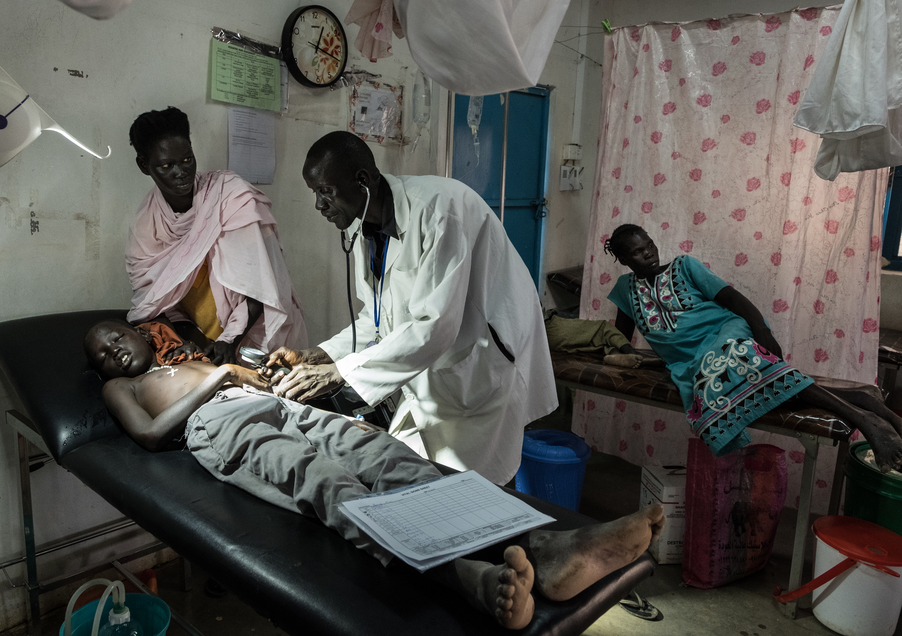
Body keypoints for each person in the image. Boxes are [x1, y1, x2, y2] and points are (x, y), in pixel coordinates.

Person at [83, 319, 664, 630]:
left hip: (280, 404)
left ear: (141, 330)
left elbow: (251, 370)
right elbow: (151, 436)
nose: (111, 352)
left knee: (390, 458)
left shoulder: (187, 352)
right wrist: (221, 377)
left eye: (116, 337)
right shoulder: (125, 387)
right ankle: (472, 580)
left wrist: (255, 372)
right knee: (329, 484)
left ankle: (543, 543)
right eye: (102, 353)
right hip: (222, 428)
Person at [266, 131, 557, 485]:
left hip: (478, 359)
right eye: (315, 194)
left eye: (325, 191)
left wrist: (340, 373)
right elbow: (375, 320)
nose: (319, 206)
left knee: (479, 489)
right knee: (413, 476)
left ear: (361, 180)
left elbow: (435, 326)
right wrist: (320, 355)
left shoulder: (439, 210)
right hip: (432, 372)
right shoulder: (366, 229)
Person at [603, 223, 902, 472]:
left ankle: (865, 421)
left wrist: (762, 332)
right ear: (624, 260)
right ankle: (863, 401)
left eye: (650, 245)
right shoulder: (625, 290)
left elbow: (732, 299)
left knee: (732, 360)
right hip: (689, 361)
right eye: (637, 253)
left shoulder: (684, 266)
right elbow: (621, 336)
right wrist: (623, 354)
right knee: (744, 387)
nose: (649, 254)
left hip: (723, 333)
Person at [125, 107, 307, 366]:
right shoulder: (146, 226)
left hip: (257, 334)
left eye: (187, 159)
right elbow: (153, 302)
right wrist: (193, 343)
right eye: (166, 165)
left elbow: (263, 281)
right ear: (144, 166)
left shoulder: (230, 196)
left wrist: (229, 340)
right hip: (199, 342)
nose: (181, 172)